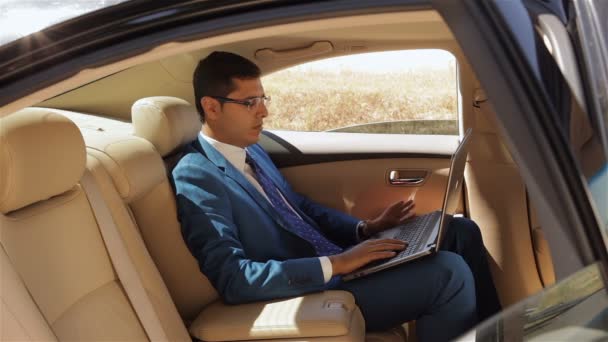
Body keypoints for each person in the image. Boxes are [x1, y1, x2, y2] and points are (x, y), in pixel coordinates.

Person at [172, 51, 501, 341]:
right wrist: (338, 263)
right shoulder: (196, 174)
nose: (263, 113)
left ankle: (498, 335)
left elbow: (298, 207)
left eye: (263, 99)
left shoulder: (252, 151)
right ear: (211, 107)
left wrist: (364, 230)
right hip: (310, 287)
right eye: (249, 103)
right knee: (448, 273)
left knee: (459, 231)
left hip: (342, 261)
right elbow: (235, 278)